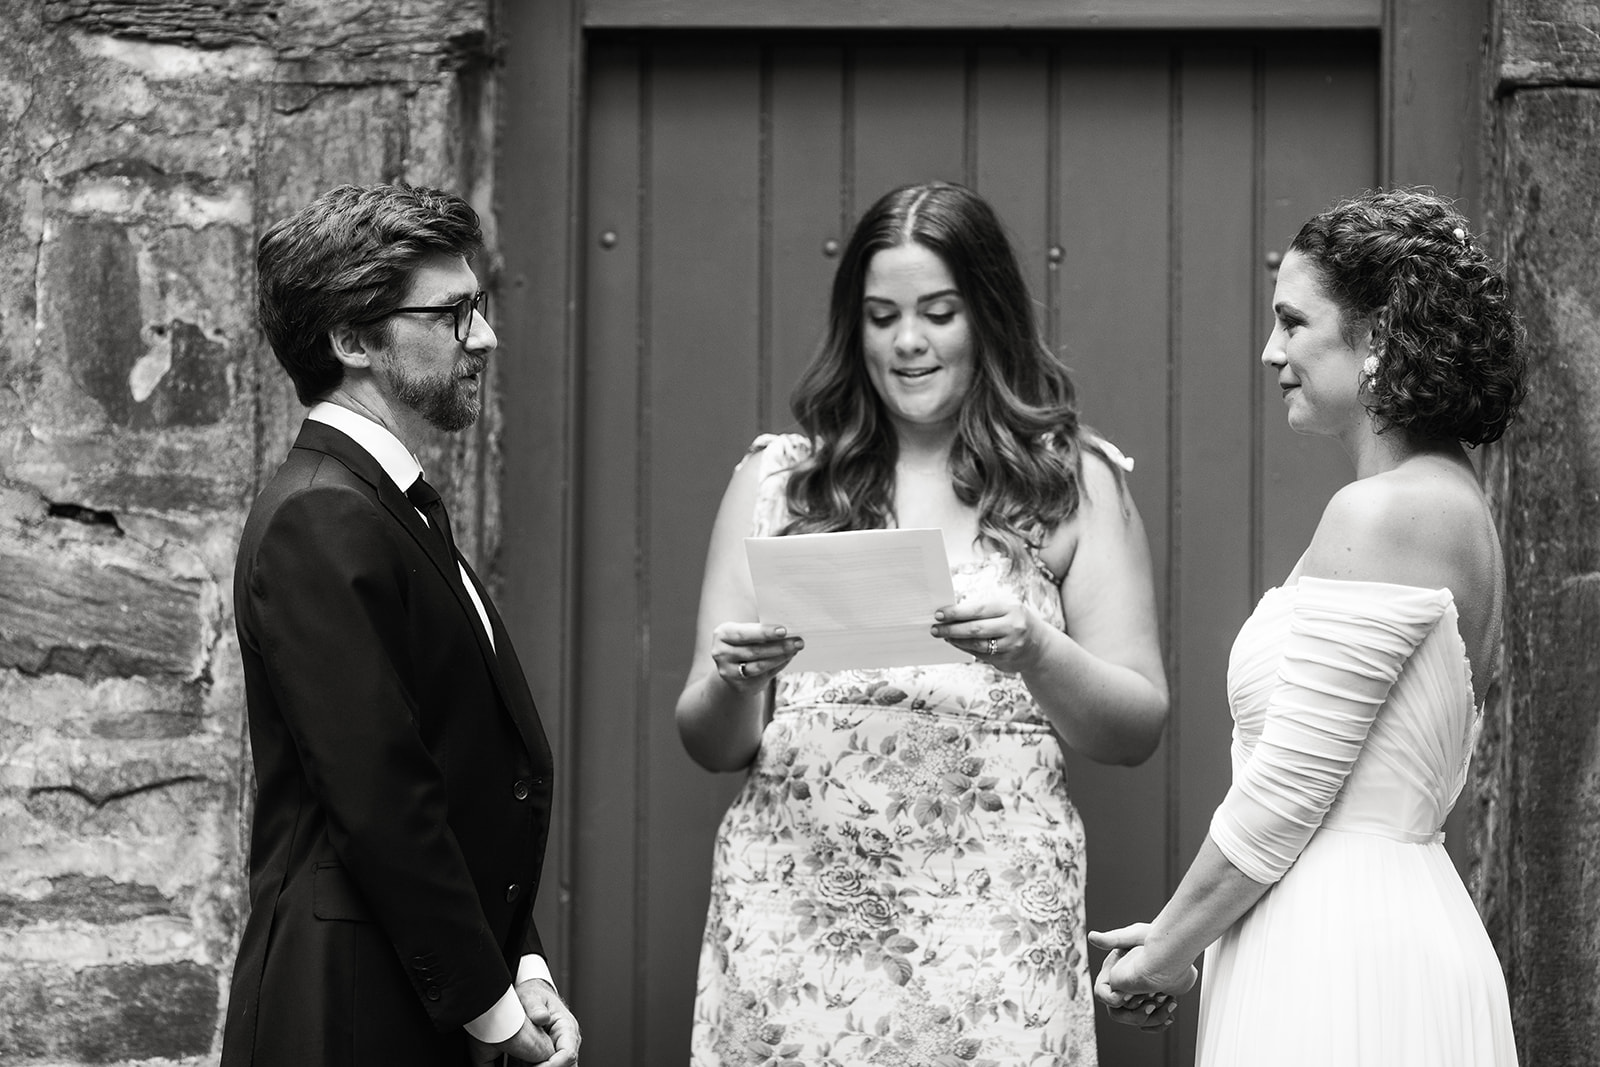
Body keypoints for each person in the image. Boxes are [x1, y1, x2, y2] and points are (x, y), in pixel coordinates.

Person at [675, 181, 1170, 1066]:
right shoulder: (779, 484)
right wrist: (734, 680)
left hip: (993, 926)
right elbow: (712, 741)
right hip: (795, 917)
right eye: (881, 315)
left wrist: (1037, 649)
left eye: (938, 312)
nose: (907, 341)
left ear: (987, 316)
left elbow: (1136, 726)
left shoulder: (1072, 481)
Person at [1090, 187, 1525, 1064]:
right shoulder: (1449, 502)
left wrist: (1168, 954)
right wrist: (1186, 930)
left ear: (1376, 338)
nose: (1270, 350)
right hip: (1368, 919)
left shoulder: (1384, 513)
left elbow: (1289, 789)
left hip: (1344, 952)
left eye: (1293, 322)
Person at [220, 183, 580, 1067]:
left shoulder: (388, 503)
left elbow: (460, 775)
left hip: (420, 995)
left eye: (479, 305)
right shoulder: (320, 516)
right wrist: (494, 1011)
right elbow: (383, 800)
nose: (484, 337)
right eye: (453, 313)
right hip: (348, 1011)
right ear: (351, 341)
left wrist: (521, 963)